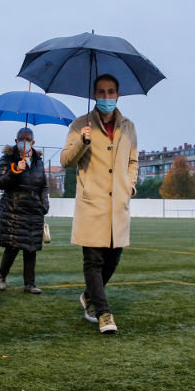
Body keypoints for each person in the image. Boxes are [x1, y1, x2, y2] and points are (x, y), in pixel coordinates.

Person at [60, 73, 138, 334]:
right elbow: (66, 160)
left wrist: (130, 185)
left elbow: (133, 161)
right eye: (101, 92)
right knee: (93, 261)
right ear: (94, 95)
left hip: (118, 204)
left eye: (111, 92)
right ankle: (104, 313)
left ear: (118, 95)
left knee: (112, 260)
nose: (106, 97)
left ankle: (89, 296)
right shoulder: (79, 125)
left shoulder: (128, 126)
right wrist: (82, 141)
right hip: (92, 203)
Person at [0, 127, 49, 294]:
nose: (24, 142)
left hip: (34, 210)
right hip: (14, 210)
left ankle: (29, 284)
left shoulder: (38, 161)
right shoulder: (7, 158)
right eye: (21, 139)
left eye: (27, 139)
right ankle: (2, 275)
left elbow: (44, 185)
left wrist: (44, 203)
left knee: (31, 247)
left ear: (33, 142)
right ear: (16, 140)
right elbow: (1, 182)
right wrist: (15, 170)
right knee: (12, 246)